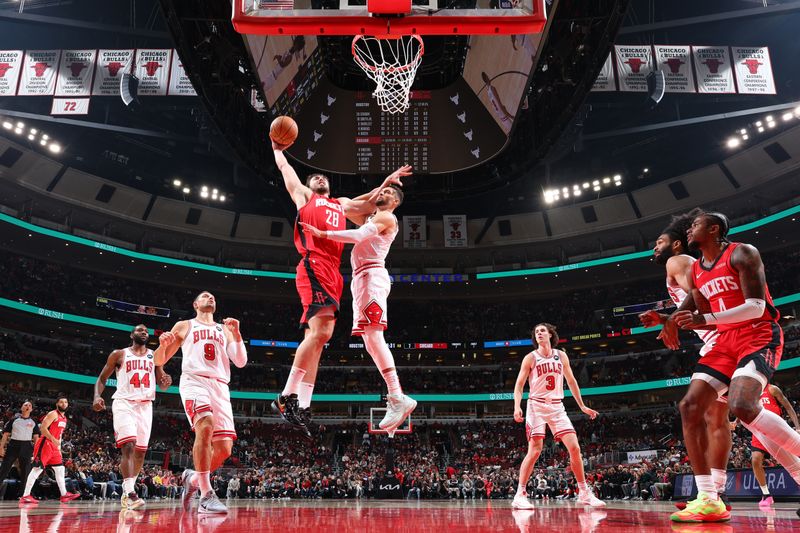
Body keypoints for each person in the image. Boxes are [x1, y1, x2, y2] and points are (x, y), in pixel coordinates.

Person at [662, 210, 800, 522]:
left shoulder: (742, 253)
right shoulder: (697, 269)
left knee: (742, 405)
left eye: (695, 225)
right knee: (690, 406)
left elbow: (756, 307)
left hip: (759, 334)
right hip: (724, 340)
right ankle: (709, 498)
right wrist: (669, 319)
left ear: (713, 230)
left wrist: (704, 319)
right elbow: (695, 304)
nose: (689, 229)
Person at [272, 138, 411, 436]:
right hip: (315, 264)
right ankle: (286, 397)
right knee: (322, 333)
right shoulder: (305, 197)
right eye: (314, 177)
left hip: (338, 274)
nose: (319, 177)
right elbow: (286, 172)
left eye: (323, 177)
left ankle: (304, 405)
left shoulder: (341, 204)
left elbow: (370, 201)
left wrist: (385, 183)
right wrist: (277, 150)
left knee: (320, 337)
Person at [299, 184, 416, 435]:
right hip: (361, 278)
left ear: (395, 202)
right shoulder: (370, 215)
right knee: (368, 339)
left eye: (388, 194)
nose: (382, 195)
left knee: (374, 336)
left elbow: (358, 236)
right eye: (382, 192)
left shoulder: (386, 217)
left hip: (372, 275)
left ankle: (397, 396)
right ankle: (396, 397)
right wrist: (381, 186)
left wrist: (323, 232)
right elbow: (343, 204)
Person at [639, 210, 731, 512]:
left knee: (738, 417)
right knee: (717, 421)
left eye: (659, 241)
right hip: (718, 336)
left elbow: (698, 298)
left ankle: (710, 494)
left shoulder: (676, 261)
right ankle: (716, 493)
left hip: (722, 340)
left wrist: (672, 322)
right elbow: (700, 308)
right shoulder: (689, 263)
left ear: (676, 245)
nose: (655, 247)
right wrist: (667, 318)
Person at [154, 291, 248, 514]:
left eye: (213, 297)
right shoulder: (184, 325)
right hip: (194, 381)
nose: (211, 298)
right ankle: (206, 494)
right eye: (205, 296)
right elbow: (159, 360)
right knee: (205, 423)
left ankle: (193, 478)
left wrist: (237, 333)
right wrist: (161, 345)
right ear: (196, 304)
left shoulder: (224, 329)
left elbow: (241, 361)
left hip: (220, 386)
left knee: (224, 448)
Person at [512, 323, 605, 509]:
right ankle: (520, 494)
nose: (539, 333)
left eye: (542, 331)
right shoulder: (530, 358)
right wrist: (517, 406)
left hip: (557, 406)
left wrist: (582, 406)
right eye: (536, 331)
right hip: (536, 405)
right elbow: (519, 385)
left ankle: (584, 492)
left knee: (575, 448)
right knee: (535, 450)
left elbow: (571, 381)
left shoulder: (561, 356)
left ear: (550, 334)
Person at [93, 324, 172, 509]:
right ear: (132, 335)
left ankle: (127, 488)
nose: (144, 332)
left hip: (145, 406)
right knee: (128, 446)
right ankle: (130, 493)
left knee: (141, 452)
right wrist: (97, 396)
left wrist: (166, 380)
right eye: (140, 330)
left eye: (146, 331)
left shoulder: (155, 356)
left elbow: (163, 384)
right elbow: (102, 378)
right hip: (124, 403)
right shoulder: (118, 354)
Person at [732, 384, 799, 508]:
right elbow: (742, 409)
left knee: (792, 460)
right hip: (759, 431)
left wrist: (798, 427)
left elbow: (788, 407)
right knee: (755, 460)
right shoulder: (750, 393)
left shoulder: (772, 389)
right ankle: (766, 494)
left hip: (776, 429)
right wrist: (735, 423)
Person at [19, 395, 79, 504]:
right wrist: (53, 439)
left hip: (54, 447)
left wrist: (59, 449)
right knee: (37, 469)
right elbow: (43, 428)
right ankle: (25, 495)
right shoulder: (53, 414)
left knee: (60, 469)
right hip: (45, 443)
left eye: (65, 402)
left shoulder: (64, 418)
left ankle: (64, 494)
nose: (63, 404)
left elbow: (59, 436)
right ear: (57, 404)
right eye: (61, 402)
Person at [0, 400, 38, 500]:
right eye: (25, 405)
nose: (27, 406)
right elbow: (5, 435)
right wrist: (1, 447)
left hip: (27, 446)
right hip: (13, 445)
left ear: (31, 409)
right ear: (21, 407)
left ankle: (23, 495)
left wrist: (36, 452)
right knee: (4, 469)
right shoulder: (14, 420)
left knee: (26, 471)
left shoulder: (33, 422)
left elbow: (36, 439)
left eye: (30, 405)